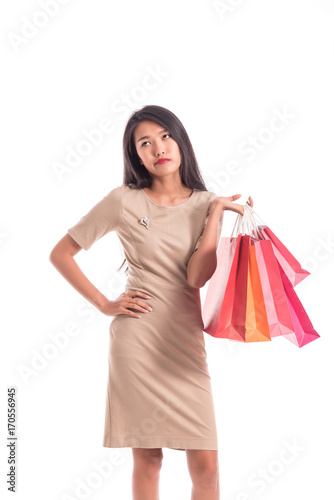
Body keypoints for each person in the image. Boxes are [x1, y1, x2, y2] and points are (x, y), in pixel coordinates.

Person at [49, 104, 253, 500]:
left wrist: (214, 217)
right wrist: (105, 303)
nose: (159, 147)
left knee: (208, 469)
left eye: (165, 136)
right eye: (146, 142)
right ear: (136, 155)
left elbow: (196, 277)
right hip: (137, 340)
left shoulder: (207, 203)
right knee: (149, 459)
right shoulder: (123, 200)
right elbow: (61, 253)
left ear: (180, 141)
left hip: (184, 342)